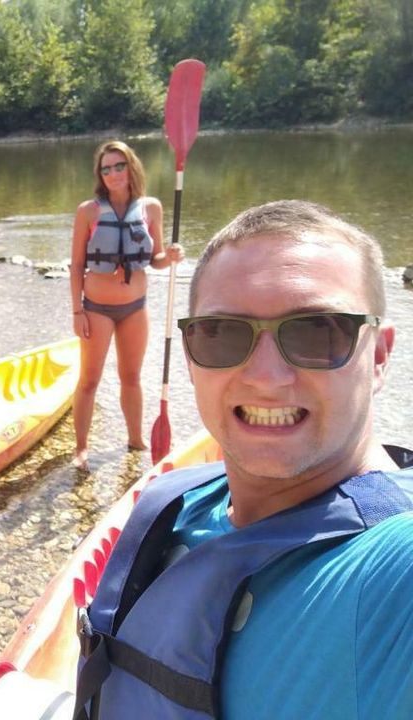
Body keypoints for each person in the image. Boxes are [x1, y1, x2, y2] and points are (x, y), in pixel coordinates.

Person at [73, 200, 413, 719]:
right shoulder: (181, 501)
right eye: (222, 333)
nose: (266, 377)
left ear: (380, 356)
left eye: (318, 331)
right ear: (190, 356)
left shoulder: (393, 569)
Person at [69, 140, 184, 464]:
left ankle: (135, 441)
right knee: (89, 380)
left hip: (135, 307)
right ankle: (81, 447)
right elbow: (77, 265)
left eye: (119, 166)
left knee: (131, 377)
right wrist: (77, 311)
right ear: (100, 174)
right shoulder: (88, 211)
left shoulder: (151, 208)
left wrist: (170, 257)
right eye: (106, 169)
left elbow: (156, 258)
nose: (113, 173)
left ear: (131, 167)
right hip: (97, 307)